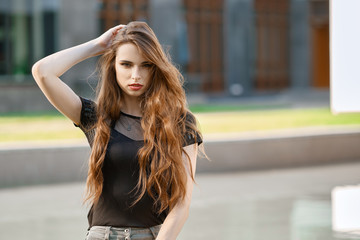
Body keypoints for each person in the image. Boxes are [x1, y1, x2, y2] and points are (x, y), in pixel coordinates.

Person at [32, 21, 203, 240]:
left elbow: (181, 205)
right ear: (113, 65)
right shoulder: (96, 117)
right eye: (126, 64)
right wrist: (97, 45)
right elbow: (43, 72)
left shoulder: (180, 122)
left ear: (156, 68)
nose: (135, 75)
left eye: (146, 65)